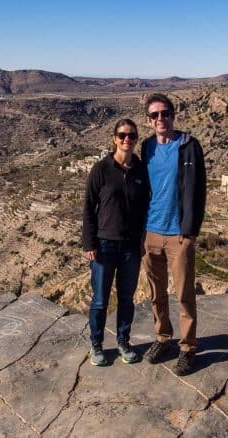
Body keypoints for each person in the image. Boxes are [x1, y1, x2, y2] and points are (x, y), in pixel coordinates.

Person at [140, 93, 206, 376]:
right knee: (156, 293)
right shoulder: (146, 147)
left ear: (173, 115)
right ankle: (163, 338)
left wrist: (191, 232)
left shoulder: (189, 146)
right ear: (148, 120)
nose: (160, 119)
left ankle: (188, 347)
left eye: (165, 113)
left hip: (179, 234)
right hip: (150, 232)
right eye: (154, 115)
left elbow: (200, 190)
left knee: (184, 294)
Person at [82, 119, 149, 366]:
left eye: (132, 136)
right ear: (114, 138)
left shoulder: (141, 170)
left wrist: (143, 240)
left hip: (131, 246)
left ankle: (123, 341)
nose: (127, 140)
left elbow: (145, 209)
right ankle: (96, 345)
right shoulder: (101, 169)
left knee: (126, 298)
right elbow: (89, 207)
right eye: (122, 135)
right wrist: (88, 244)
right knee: (100, 299)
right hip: (103, 245)